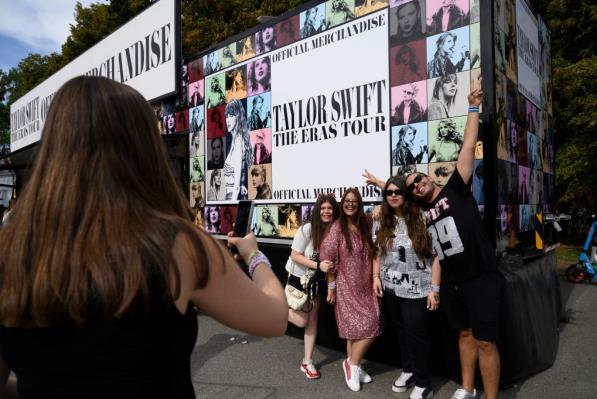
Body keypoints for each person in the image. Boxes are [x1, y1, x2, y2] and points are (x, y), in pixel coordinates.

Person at [0, 76, 288, 399]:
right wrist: (254, 256)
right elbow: (275, 317)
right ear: (143, 147)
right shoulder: (179, 245)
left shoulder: (9, 251)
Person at [365, 86, 502, 399]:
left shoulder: (456, 187)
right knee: (465, 335)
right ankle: (467, 389)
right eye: (411, 185)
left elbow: (468, 144)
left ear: (429, 177)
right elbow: (393, 193)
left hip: (481, 275)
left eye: (419, 179)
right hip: (452, 282)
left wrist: (472, 108)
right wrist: (378, 186)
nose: (417, 184)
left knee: (486, 341)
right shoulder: (419, 210)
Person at [372, 175, 441, 399]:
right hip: (391, 287)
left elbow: (437, 255)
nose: (393, 195)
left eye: (397, 192)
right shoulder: (383, 218)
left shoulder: (423, 217)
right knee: (401, 332)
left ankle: (424, 383)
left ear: (406, 194)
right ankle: (409, 370)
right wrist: (375, 277)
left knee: (417, 334)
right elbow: (377, 252)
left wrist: (435, 289)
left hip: (418, 288)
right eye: (389, 192)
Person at [320, 188, 382, 392]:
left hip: (366, 286)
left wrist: (381, 205)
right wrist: (331, 288)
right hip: (346, 286)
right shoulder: (337, 228)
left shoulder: (366, 221)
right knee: (366, 327)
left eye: (354, 201)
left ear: (359, 203)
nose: (350, 204)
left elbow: (388, 209)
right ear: (342, 203)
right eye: (347, 200)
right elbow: (328, 261)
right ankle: (353, 365)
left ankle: (352, 363)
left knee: (360, 330)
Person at [286, 194, 340, 379]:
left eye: (330, 208)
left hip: (316, 280)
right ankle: (277, 308)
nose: (326, 211)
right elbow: (295, 255)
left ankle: (307, 361)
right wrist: (318, 265)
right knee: (302, 321)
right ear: (318, 210)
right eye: (323, 208)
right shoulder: (307, 229)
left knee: (313, 319)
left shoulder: (334, 229)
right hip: (299, 277)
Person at [223, 100, 253, 200]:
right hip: (231, 195)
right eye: (227, 116)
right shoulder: (234, 140)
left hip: (232, 197)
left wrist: (232, 203)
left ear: (238, 117)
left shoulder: (238, 142)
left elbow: (236, 185)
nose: (227, 120)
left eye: (231, 115)